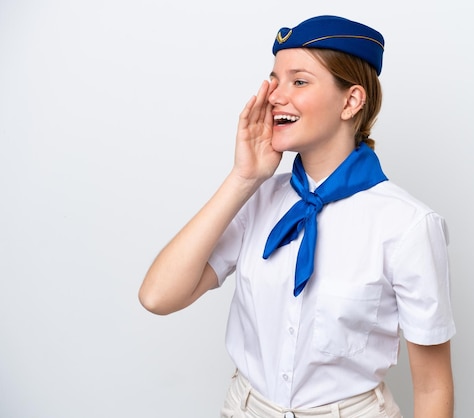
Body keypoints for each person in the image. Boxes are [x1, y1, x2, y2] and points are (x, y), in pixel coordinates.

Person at [139, 15, 456, 418]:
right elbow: (158, 297)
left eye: (299, 81)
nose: (275, 95)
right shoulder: (258, 199)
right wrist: (242, 178)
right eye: (275, 79)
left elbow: (432, 387)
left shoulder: (407, 225)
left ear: (351, 101)